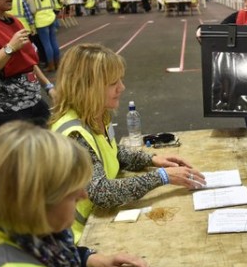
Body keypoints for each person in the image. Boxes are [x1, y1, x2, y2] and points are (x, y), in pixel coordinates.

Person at [49, 43, 206, 243]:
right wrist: (162, 177)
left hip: (99, 221)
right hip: (81, 238)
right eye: (113, 83)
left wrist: (152, 159)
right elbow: (101, 193)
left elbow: (112, 153)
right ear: (87, 87)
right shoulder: (72, 134)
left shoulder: (94, 115)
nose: (122, 88)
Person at [0, 121, 150, 267]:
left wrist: (91, 259)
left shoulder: (19, 230)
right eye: (72, 193)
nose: (84, 196)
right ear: (37, 203)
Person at [0, 0, 55, 130]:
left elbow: (28, 61)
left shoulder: (14, 21)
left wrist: (48, 87)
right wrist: (10, 48)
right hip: (7, 114)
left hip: (34, 103)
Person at [25, 0, 61, 72]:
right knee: (54, 42)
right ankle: (58, 63)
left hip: (41, 22)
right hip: (51, 18)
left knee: (46, 44)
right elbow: (53, 6)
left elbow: (32, 10)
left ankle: (51, 65)